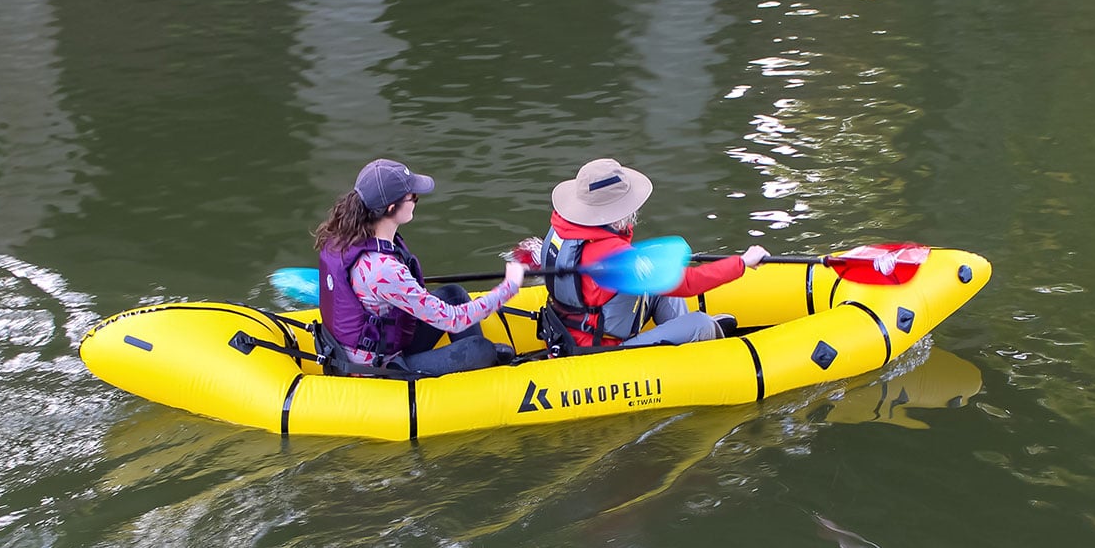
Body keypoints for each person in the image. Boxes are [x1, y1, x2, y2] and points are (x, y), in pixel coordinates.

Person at [314, 158, 525, 376]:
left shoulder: (351, 235)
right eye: (412, 197)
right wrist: (509, 287)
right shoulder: (383, 270)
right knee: (480, 349)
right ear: (391, 207)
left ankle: (479, 360)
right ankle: (483, 364)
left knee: (453, 293)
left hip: (378, 342)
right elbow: (454, 320)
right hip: (376, 367)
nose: (416, 200)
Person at [542, 157, 768, 349]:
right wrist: (742, 262)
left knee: (660, 279)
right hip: (601, 350)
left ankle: (684, 331)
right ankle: (702, 335)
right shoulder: (614, 254)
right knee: (701, 323)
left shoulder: (560, 231)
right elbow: (688, 283)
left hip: (569, 331)